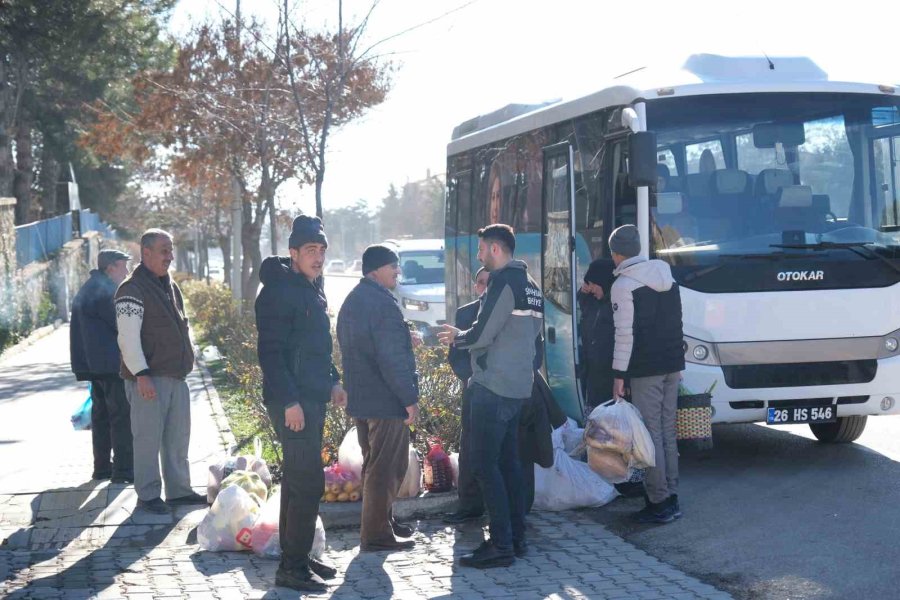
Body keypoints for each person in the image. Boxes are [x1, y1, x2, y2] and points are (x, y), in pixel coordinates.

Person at [438, 224, 544, 569]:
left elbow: (483, 333)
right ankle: (516, 538)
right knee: (509, 465)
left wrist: (457, 337)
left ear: (496, 249)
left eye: (482, 249)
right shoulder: (531, 285)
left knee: (485, 464)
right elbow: (531, 337)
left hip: (493, 387)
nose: (479, 255)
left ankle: (500, 544)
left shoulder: (503, 282)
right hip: (518, 388)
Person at [255, 215, 347, 593]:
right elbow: (271, 354)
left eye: (322, 249)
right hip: (292, 403)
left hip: (311, 397)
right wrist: (290, 401)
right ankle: (291, 569)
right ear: (293, 253)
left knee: (297, 481)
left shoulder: (311, 287)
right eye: (310, 250)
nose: (318, 257)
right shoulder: (277, 292)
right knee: (308, 483)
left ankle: (297, 555)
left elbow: (316, 347)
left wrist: (334, 380)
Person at [115, 229, 206, 514]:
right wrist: (141, 374)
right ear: (146, 253)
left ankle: (179, 492)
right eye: (164, 250)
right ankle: (148, 495)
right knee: (147, 440)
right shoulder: (131, 289)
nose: (170, 256)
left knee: (177, 439)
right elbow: (128, 339)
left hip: (175, 378)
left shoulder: (170, 286)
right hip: (148, 380)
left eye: (171, 249)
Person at [337, 244, 420, 552]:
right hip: (385, 401)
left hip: (364, 398)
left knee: (376, 466)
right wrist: (408, 398)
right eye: (392, 266)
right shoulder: (381, 303)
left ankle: (382, 522)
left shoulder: (355, 299)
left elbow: (366, 346)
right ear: (374, 270)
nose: (398, 271)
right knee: (388, 468)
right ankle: (376, 536)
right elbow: (390, 358)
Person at [608, 224, 685, 524]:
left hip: (646, 369)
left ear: (616, 254)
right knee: (667, 431)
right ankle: (672, 495)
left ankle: (658, 502)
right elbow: (677, 323)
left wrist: (619, 375)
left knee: (649, 436)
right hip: (672, 365)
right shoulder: (668, 276)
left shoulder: (623, 285)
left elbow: (624, 335)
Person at [70, 248, 134, 483]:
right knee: (120, 417)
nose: (126, 271)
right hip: (110, 365)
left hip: (95, 365)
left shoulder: (91, 287)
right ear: (110, 268)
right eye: (123, 266)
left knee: (101, 417)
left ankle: (102, 469)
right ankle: (124, 470)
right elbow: (122, 324)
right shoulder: (105, 290)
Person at [443, 267, 490, 524]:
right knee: (470, 446)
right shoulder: (465, 313)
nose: (484, 287)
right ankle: (470, 505)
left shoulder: (508, 310)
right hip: (473, 388)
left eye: (488, 282)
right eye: (480, 282)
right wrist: (469, 378)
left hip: (502, 389)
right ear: (475, 286)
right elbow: (456, 356)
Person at [577, 258, 617, 411]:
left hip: (609, 373)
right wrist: (583, 292)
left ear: (604, 282)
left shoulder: (615, 304)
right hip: (593, 372)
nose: (591, 288)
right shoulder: (593, 301)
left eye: (594, 284)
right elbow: (583, 305)